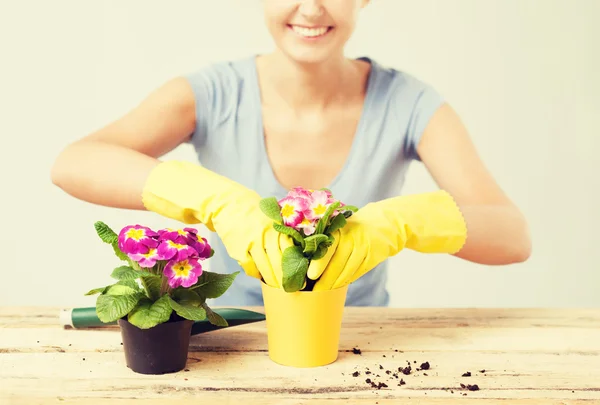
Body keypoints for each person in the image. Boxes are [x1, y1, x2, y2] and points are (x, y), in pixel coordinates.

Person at [50, 0, 531, 307]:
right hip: (234, 341)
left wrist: (401, 222)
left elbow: (512, 235)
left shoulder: (409, 104)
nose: (311, 8)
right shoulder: (212, 93)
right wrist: (216, 198)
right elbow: (75, 161)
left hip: (369, 346)